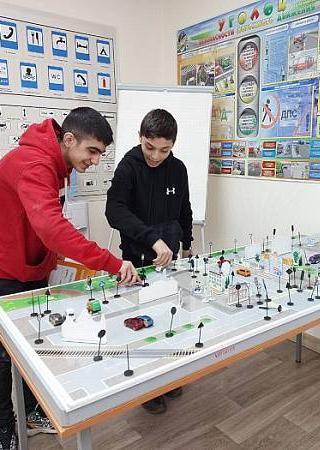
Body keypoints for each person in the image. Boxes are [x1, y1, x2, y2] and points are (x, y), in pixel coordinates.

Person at [0, 107, 140, 450]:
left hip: (30, 267)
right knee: (2, 353)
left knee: (34, 345)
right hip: (1, 271)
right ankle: (2, 426)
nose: (95, 160)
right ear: (69, 139)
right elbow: (53, 230)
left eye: (100, 153)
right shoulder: (34, 164)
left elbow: (41, 226)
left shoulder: (57, 164)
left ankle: (31, 412)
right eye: (92, 151)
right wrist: (111, 263)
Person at [105, 108, 193, 414]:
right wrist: (151, 239)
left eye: (164, 150)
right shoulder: (128, 167)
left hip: (171, 259)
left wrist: (187, 246)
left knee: (171, 318)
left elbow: (184, 209)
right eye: (149, 147)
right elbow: (114, 211)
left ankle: (167, 376)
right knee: (143, 326)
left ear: (173, 145)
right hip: (137, 261)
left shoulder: (178, 169)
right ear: (140, 137)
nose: (155, 156)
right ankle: (146, 387)